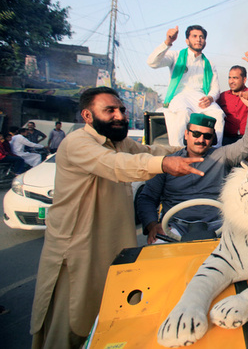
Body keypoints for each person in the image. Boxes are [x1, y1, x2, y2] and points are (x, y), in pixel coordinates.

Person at [30, 87, 205, 349]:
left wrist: (189, 149)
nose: (119, 116)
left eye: (121, 109)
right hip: (78, 249)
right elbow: (116, 165)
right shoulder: (78, 143)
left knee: (110, 317)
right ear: (88, 116)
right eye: (109, 110)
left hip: (114, 247)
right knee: (72, 323)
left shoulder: (120, 142)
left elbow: (150, 150)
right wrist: (165, 165)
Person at [137, 95, 248, 244]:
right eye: (196, 134)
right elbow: (147, 198)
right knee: (156, 251)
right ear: (186, 134)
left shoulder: (222, 155)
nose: (201, 140)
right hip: (174, 227)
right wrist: (152, 225)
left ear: (212, 138)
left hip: (219, 226)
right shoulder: (168, 162)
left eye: (207, 136)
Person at [147, 25, 225, 148]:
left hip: (201, 98)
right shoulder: (176, 56)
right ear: (187, 41)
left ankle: (214, 155)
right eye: (194, 36)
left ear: (205, 41)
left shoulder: (209, 64)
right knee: (183, 112)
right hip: (180, 96)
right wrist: (168, 42)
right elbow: (152, 62)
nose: (198, 39)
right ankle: (179, 152)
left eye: (201, 37)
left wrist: (210, 98)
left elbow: (215, 88)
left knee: (218, 114)